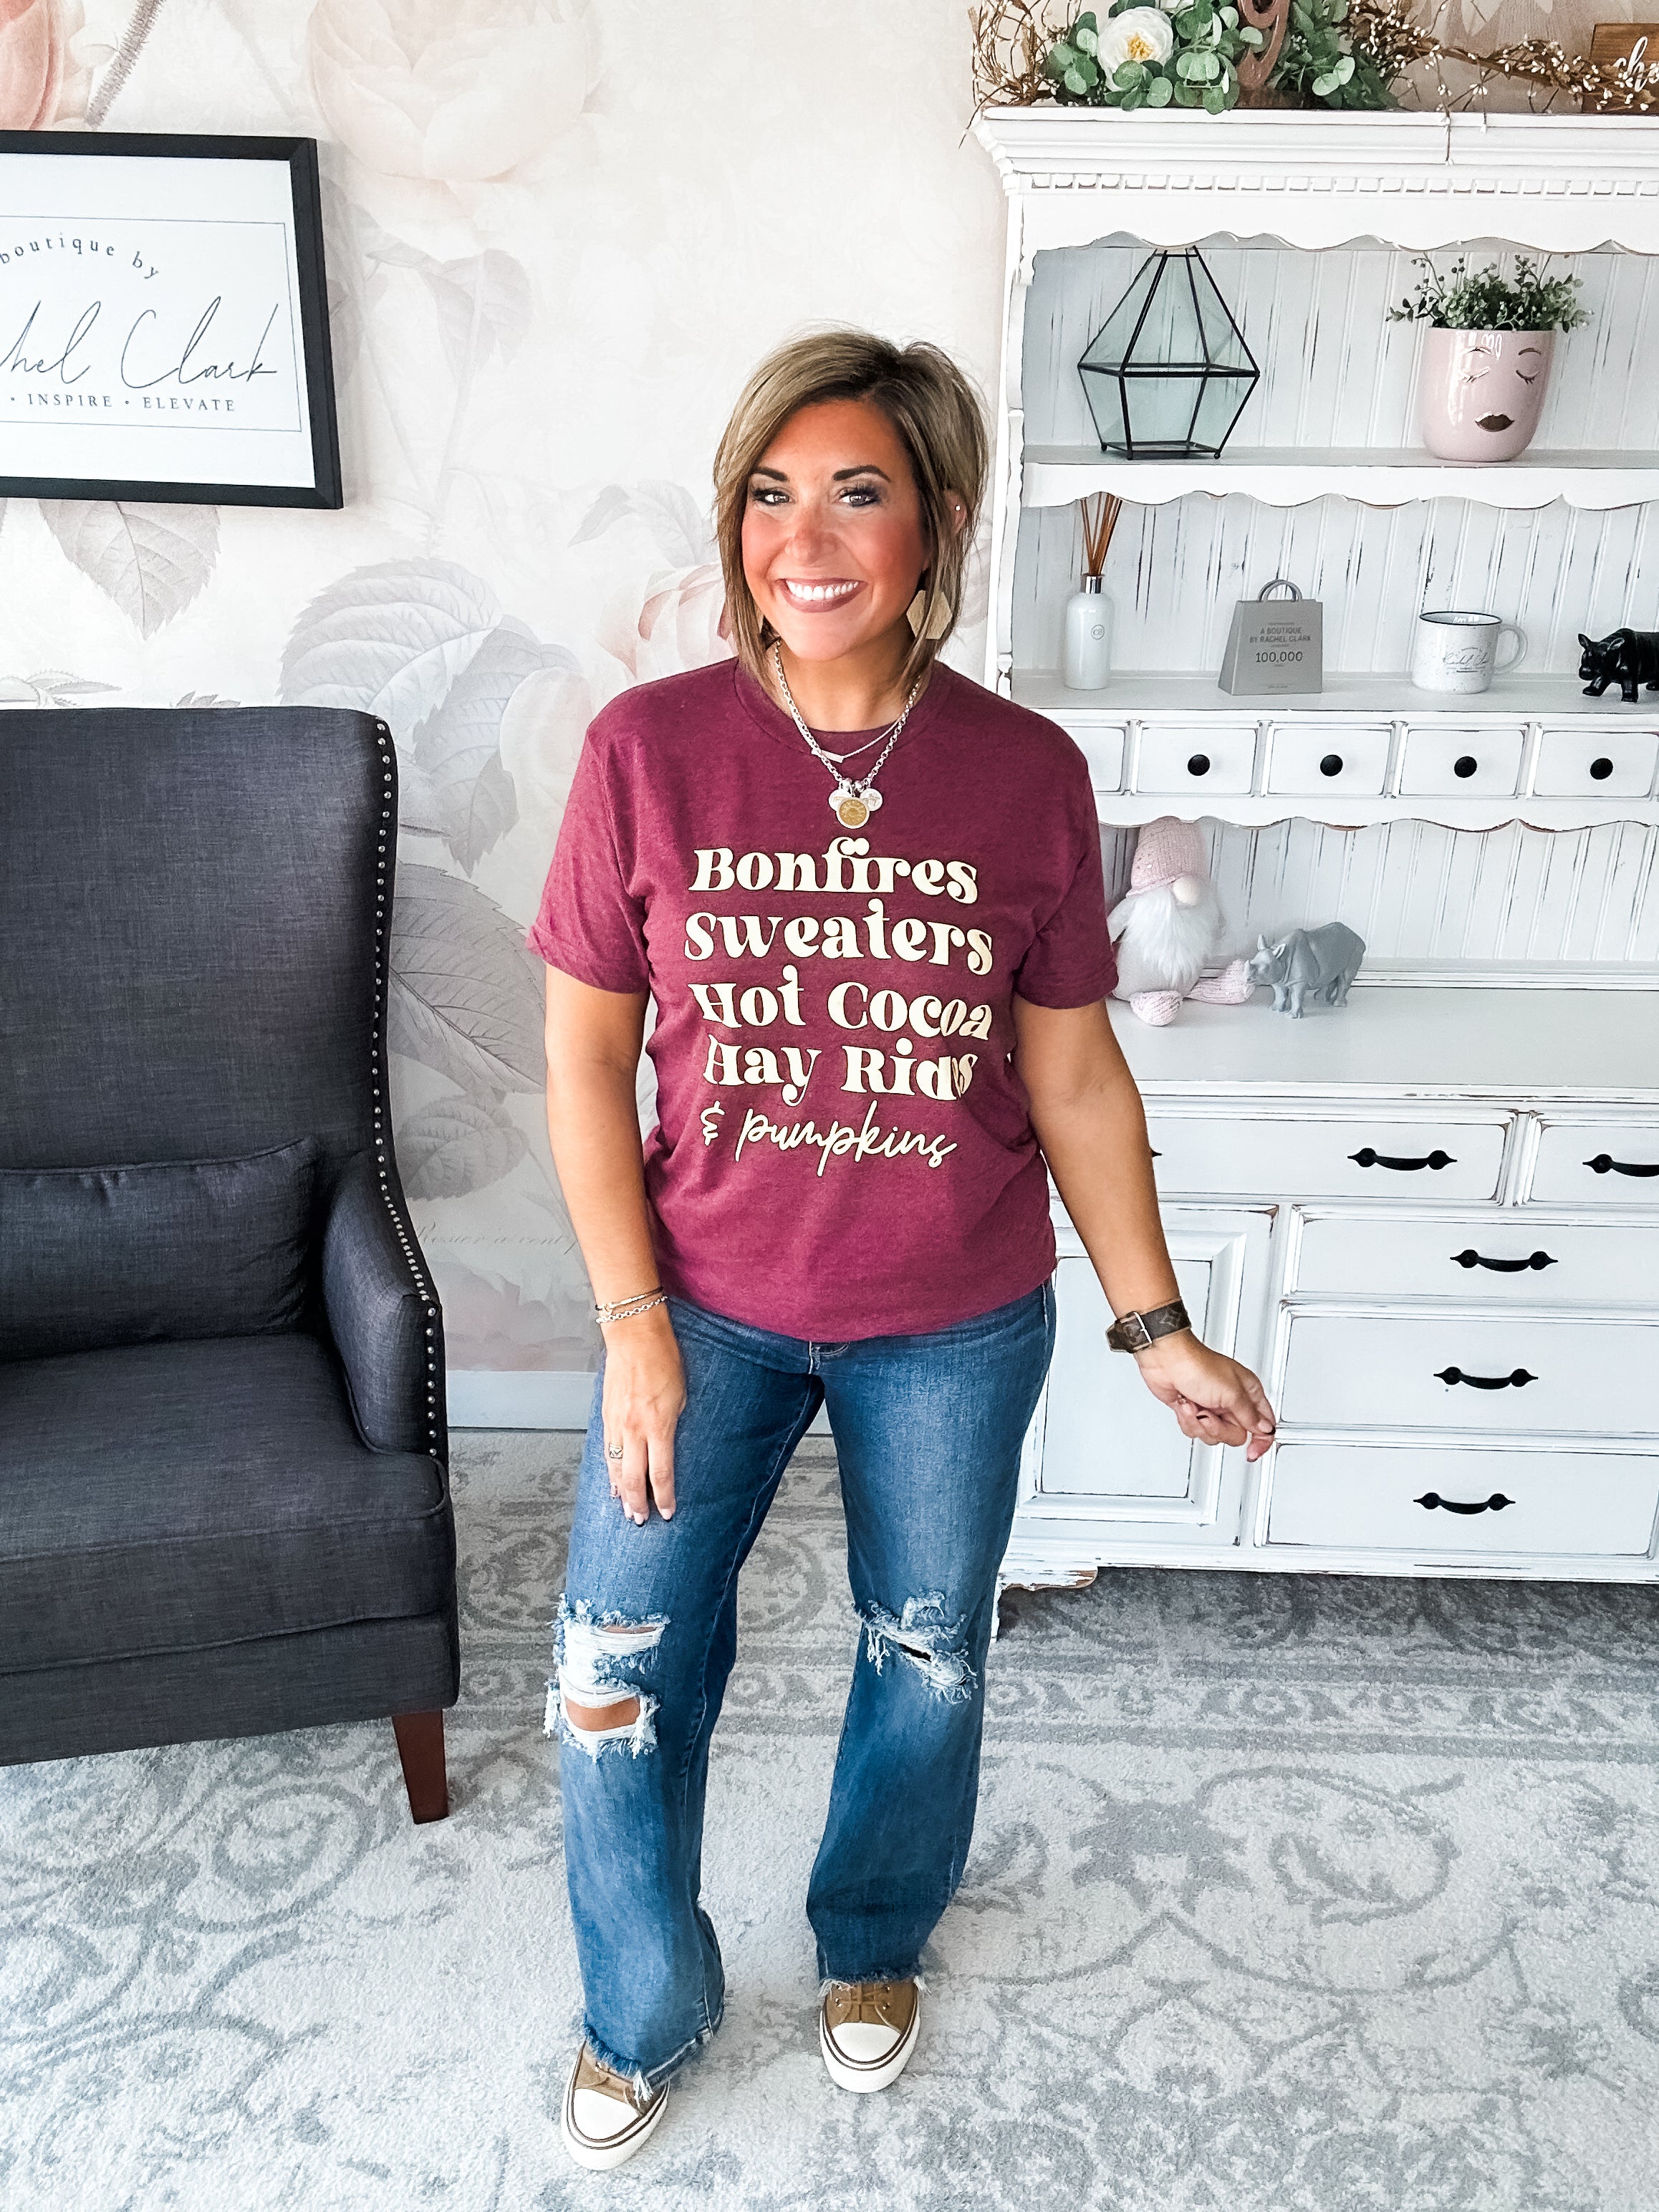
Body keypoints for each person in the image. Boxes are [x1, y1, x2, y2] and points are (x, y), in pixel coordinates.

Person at [531, 327, 1276, 2171]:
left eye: (856, 488)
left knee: (925, 1642)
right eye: (771, 493)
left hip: (950, 1318)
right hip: (695, 1306)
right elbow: (581, 1059)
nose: (808, 534)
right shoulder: (649, 749)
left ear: (935, 516)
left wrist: (1155, 1320)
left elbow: (1079, 1075)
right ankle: (644, 2003)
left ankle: (869, 1937)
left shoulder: (1022, 773)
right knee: (617, 1663)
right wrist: (631, 1322)